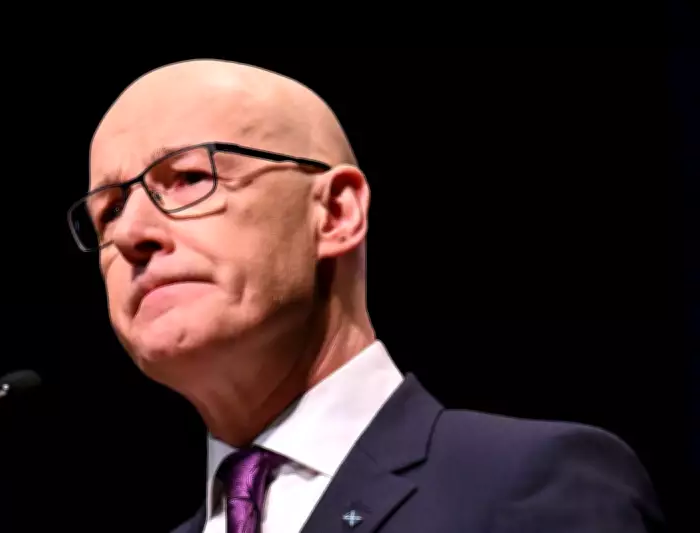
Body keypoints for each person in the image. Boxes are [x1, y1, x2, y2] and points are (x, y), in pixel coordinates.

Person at [66, 59, 665, 533]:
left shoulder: (525, 484)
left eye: (189, 178)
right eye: (108, 211)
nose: (131, 232)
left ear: (335, 213)